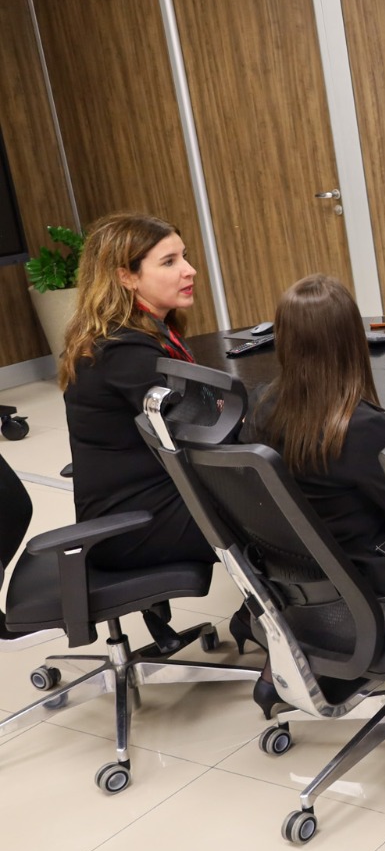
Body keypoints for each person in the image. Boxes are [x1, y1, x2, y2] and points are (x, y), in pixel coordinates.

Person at [242, 274, 385, 715]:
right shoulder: (364, 427)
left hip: (300, 602)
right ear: (352, 340)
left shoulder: (261, 407)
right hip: (377, 602)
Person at [61, 212, 216, 650]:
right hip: (129, 525)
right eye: (168, 262)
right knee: (269, 508)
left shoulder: (138, 331)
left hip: (146, 495)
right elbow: (201, 426)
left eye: (184, 257)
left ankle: (267, 618)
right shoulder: (124, 352)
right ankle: (295, 632)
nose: (189, 270)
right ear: (125, 277)